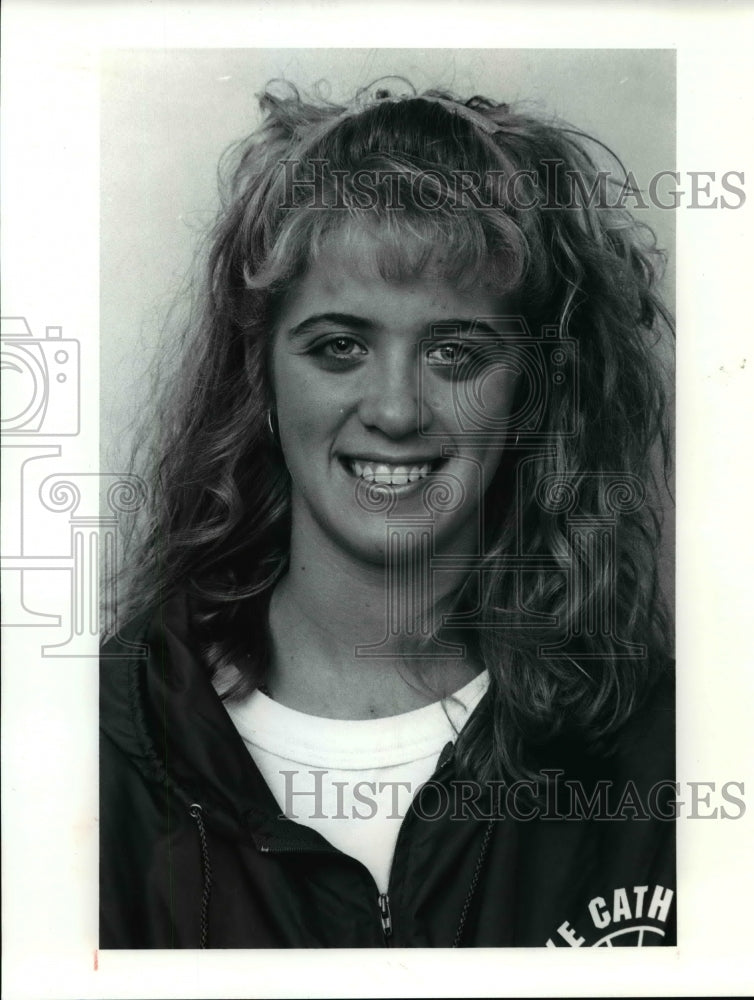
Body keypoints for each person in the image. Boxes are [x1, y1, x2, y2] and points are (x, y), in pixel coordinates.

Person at [100, 80, 675, 948]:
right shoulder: (92, 744)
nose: (398, 410)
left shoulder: (672, 749)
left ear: (533, 388)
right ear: (260, 374)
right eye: (340, 346)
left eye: (455, 350)